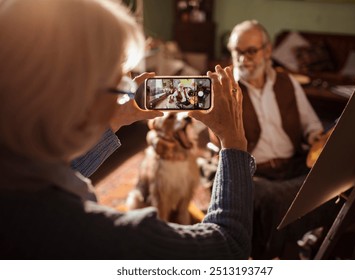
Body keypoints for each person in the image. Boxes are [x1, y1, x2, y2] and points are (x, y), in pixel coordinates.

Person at [0, 0, 255, 260]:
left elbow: (57, 172)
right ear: (79, 102)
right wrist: (233, 141)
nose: (120, 95)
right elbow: (229, 246)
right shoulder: (90, 233)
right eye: (117, 82)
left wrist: (116, 118)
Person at [223, 20, 339, 259]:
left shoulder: (288, 83)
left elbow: (311, 124)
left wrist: (315, 135)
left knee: (340, 184)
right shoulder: (225, 90)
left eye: (251, 51)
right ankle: (266, 258)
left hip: (293, 164)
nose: (244, 59)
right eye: (238, 52)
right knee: (271, 200)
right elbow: (213, 139)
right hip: (255, 174)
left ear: (267, 50)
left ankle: (322, 244)